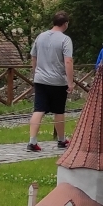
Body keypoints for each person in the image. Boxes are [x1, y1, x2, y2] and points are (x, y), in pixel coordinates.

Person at [28, 10, 74, 152]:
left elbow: (33, 57)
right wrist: (70, 82)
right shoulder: (65, 39)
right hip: (58, 81)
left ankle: (32, 141)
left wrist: (36, 73)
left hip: (40, 79)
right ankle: (61, 139)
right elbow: (68, 61)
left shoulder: (40, 36)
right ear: (65, 24)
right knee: (58, 110)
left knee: (39, 109)